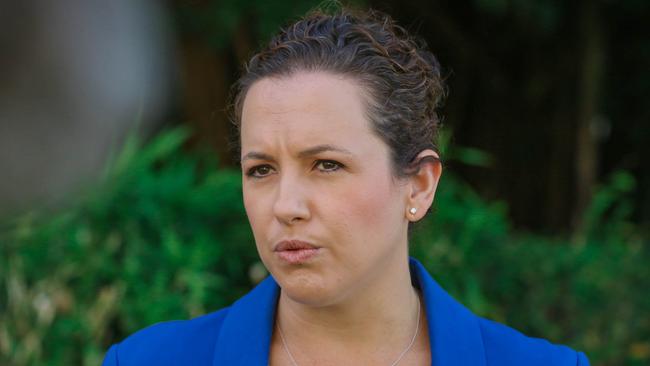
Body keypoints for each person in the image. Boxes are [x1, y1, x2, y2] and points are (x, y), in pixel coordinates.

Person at [102, 8, 589, 366]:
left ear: (418, 186)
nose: (286, 207)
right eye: (261, 170)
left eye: (327, 165)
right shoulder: (149, 360)